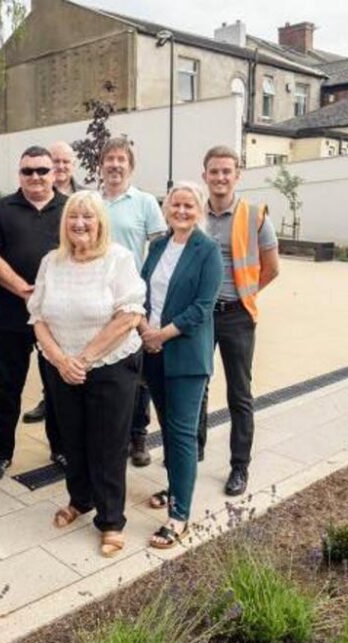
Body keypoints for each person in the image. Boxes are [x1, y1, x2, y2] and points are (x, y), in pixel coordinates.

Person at [29, 190, 146, 557]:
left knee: (108, 445)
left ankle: (111, 520)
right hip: (62, 368)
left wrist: (85, 358)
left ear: (100, 223)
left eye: (88, 217)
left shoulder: (118, 259)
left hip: (110, 368)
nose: (79, 223)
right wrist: (63, 361)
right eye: (73, 217)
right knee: (71, 439)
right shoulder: (52, 261)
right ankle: (80, 500)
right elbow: (38, 318)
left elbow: (130, 316)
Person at [138, 182, 223, 548]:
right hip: (153, 351)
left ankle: (179, 515)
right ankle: (174, 487)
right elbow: (140, 292)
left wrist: (161, 334)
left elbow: (202, 307)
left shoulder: (207, 251)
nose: (182, 211)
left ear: (199, 209)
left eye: (189, 205)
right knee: (167, 427)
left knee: (182, 433)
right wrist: (144, 329)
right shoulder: (157, 246)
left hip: (185, 355)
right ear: (167, 209)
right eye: (176, 205)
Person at [0, 146, 67, 482]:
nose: (35, 177)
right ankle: (1, 453)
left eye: (41, 170)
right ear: (19, 174)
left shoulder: (69, 208)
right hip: (11, 316)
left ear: (54, 173)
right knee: (8, 388)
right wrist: (23, 289)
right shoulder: (3, 209)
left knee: (58, 387)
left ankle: (61, 448)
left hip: (57, 318)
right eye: (27, 171)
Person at [199, 145, 280, 496]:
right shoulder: (193, 212)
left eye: (226, 172)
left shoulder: (254, 215)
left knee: (239, 394)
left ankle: (239, 467)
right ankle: (194, 449)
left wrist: (245, 295)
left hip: (236, 315)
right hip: (200, 315)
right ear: (205, 175)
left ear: (237, 175)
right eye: (214, 171)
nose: (219, 177)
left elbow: (272, 268)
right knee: (196, 387)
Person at [99, 136, 167, 467]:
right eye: (109, 159)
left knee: (136, 371)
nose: (115, 164)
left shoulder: (145, 203)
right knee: (102, 365)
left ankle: (138, 436)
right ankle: (109, 433)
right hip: (96, 300)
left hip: (133, 300)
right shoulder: (91, 201)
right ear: (101, 164)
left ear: (131, 165)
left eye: (120, 159)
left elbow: (159, 250)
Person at [21, 140, 83, 424]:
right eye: (53, 162)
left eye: (63, 163)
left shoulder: (79, 203)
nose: (58, 168)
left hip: (70, 300)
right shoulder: (15, 204)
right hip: (24, 301)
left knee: (67, 368)